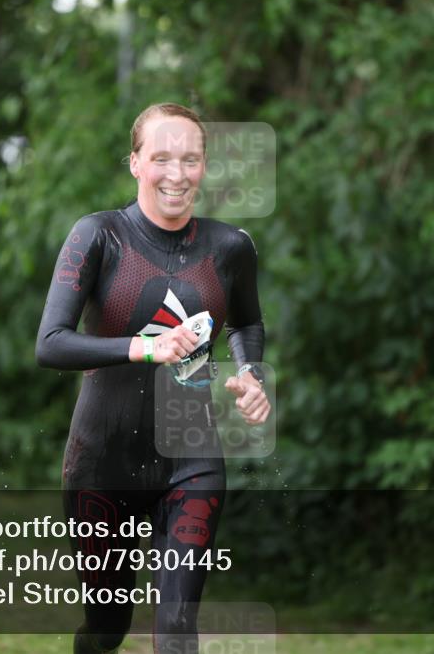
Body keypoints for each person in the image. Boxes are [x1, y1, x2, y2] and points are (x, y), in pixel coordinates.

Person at [36, 102, 269, 653]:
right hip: (101, 460)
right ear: (136, 163)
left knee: (177, 631)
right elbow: (50, 344)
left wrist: (251, 374)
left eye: (190, 160)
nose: (176, 174)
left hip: (191, 459)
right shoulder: (98, 235)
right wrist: (145, 347)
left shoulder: (230, 247)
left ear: (204, 167)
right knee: (107, 628)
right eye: (161, 158)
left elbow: (248, 322)